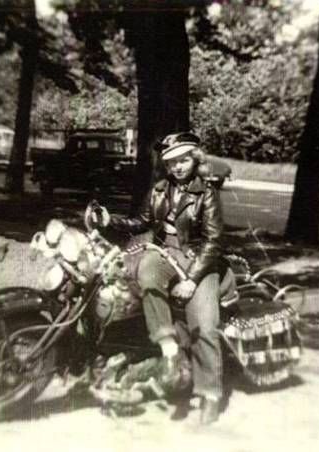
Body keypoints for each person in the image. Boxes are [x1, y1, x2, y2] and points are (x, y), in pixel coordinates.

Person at [106, 132, 226, 425]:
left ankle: (210, 394)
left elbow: (214, 241)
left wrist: (192, 280)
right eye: (172, 162)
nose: (178, 167)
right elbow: (143, 222)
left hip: (200, 259)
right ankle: (169, 348)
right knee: (145, 271)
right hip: (168, 253)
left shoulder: (207, 192)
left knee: (204, 326)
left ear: (194, 160)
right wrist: (111, 221)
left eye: (184, 160)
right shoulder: (159, 190)